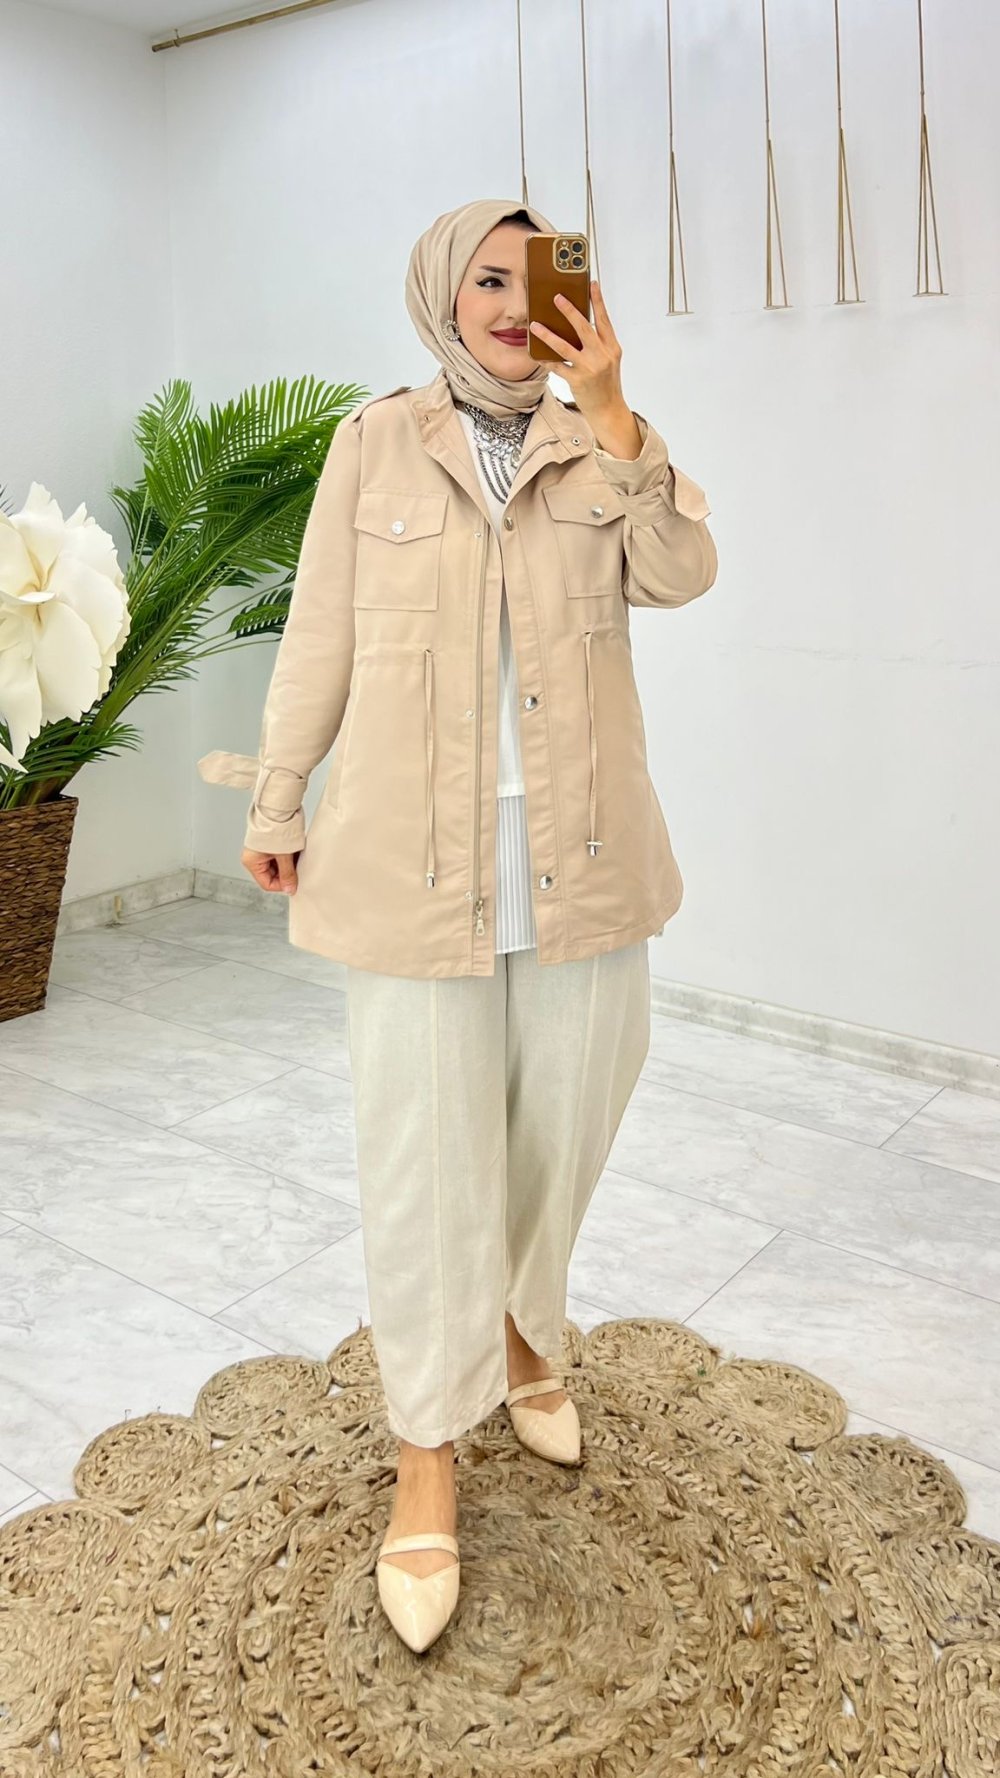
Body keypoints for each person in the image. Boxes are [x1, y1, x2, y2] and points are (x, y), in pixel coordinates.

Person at [198, 196, 717, 1652]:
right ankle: (427, 1449)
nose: (509, 303)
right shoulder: (374, 443)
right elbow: (320, 632)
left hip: (583, 857)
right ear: (440, 291)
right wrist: (279, 794)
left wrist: (612, 411)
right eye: (485, 277)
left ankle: (524, 1325)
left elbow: (683, 574)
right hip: (411, 863)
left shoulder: (601, 444)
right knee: (428, 1159)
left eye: (535, 277)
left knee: (572, 1114)